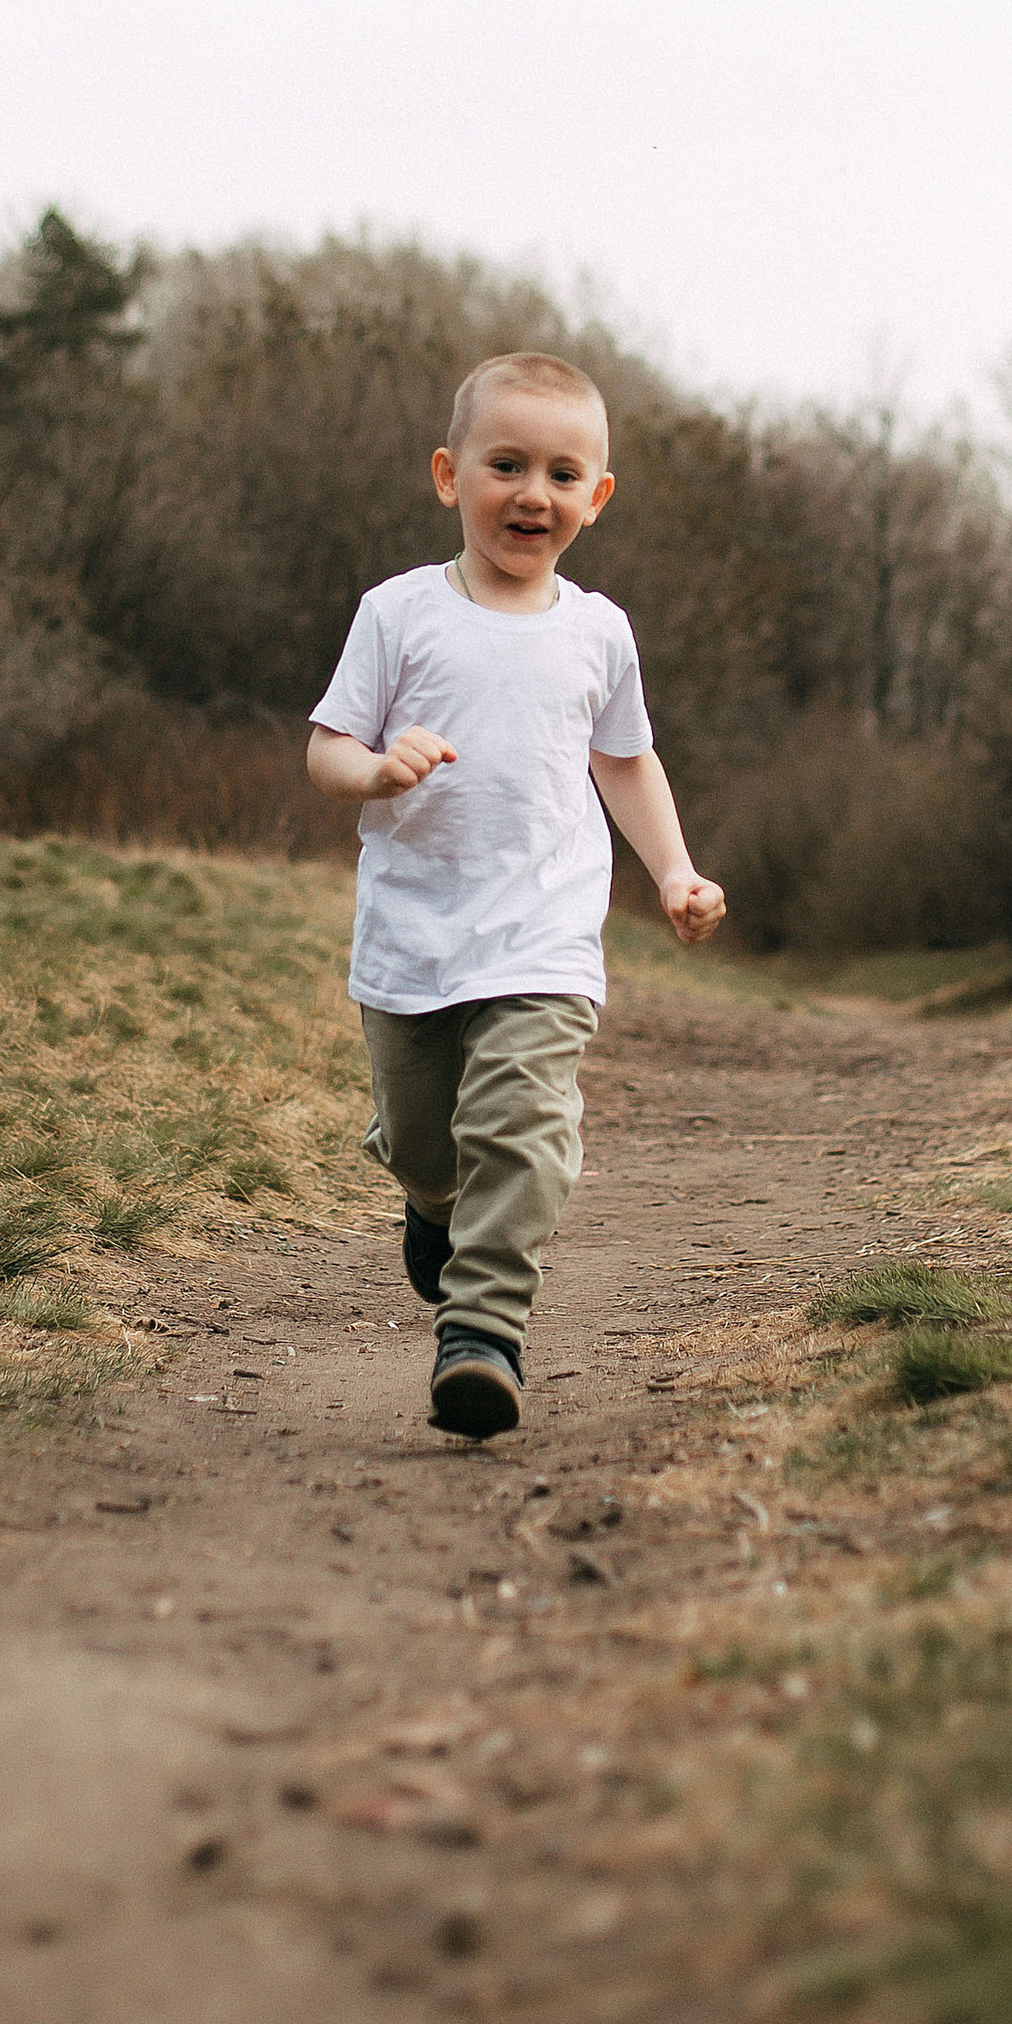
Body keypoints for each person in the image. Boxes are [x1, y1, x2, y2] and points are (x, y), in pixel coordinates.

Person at [306, 351, 727, 1439]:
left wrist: (673, 871)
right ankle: (432, 1204)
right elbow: (326, 750)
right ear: (450, 476)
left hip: (543, 936)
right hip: (411, 938)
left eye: (559, 472)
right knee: (425, 1140)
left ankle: (482, 1333)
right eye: (505, 465)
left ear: (597, 496)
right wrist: (377, 768)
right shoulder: (398, 615)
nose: (530, 493)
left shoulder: (597, 631)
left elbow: (625, 761)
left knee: (524, 1123)